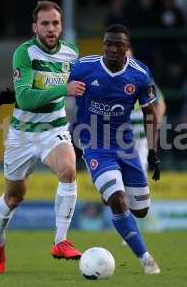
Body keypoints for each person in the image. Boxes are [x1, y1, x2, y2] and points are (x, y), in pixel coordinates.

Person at [0, 1, 86, 274]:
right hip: (23, 135)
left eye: (55, 23)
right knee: (14, 197)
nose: (51, 28)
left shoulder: (71, 53)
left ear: (61, 25)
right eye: (45, 23)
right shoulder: (25, 53)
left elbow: (77, 88)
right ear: (35, 27)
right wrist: (61, 90)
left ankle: (61, 241)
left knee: (68, 170)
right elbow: (27, 98)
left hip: (54, 128)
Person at [67, 24, 161, 274]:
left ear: (126, 47)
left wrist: (153, 152)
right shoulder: (84, 67)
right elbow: (55, 88)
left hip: (126, 145)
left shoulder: (139, 74)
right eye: (108, 43)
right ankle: (146, 259)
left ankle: (109, 191)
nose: (111, 48)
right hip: (95, 145)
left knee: (140, 210)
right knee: (119, 200)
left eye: (118, 44)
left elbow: (152, 112)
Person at [127, 48, 166, 171]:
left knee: (140, 163)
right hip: (117, 129)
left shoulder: (142, 77)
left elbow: (160, 103)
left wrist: (155, 124)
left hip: (139, 128)